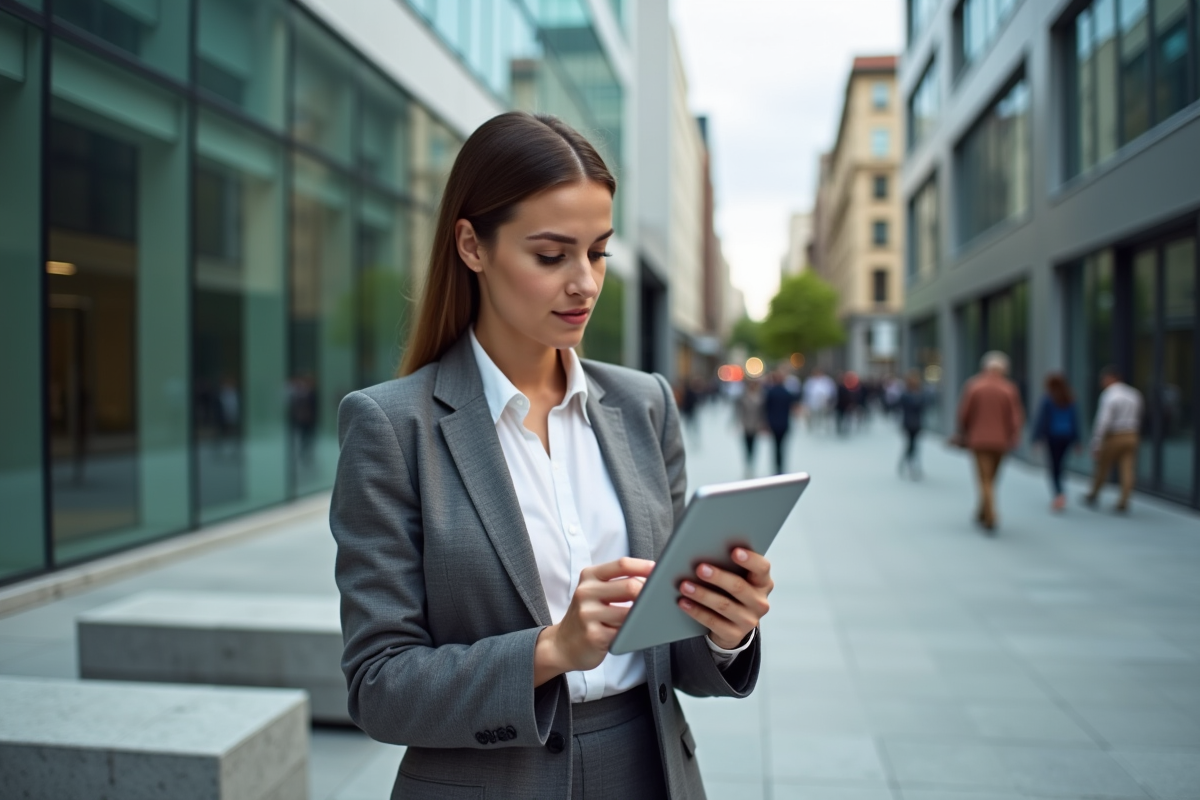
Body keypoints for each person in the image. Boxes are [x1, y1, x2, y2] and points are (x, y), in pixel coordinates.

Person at [329, 112, 771, 799]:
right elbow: (379, 686)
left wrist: (724, 628)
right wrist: (551, 650)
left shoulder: (645, 406)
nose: (585, 282)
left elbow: (672, 652)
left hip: (650, 772)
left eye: (598, 252)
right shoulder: (392, 427)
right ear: (472, 246)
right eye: (550, 255)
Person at [955, 351, 1025, 532]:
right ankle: (985, 513)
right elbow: (1016, 417)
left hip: (979, 440)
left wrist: (964, 432)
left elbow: (964, 414)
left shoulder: (974, 386)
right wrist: (1014, 435)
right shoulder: (1008, 389)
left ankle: (988, 514)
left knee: (984, 479)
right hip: (1001, 441)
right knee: (991, 479)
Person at [1084, 366, 1144, 513]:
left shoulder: (1109, 395)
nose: (1102, 382)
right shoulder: (1134, 394)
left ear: (1111, 378)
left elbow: (1103, 421)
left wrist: (1096, 442)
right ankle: (1124, 500)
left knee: (1102, 467)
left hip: (1114, 435)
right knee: (1128, 469)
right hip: (1132, 434)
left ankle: (1094, 493)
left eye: (1104, 378)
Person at [1031, 372, 1080, 511]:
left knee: (1054, 467)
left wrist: (1036, 438)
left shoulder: (1048, 399)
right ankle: (1060, 492)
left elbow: (1042, 420)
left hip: (1053, 437)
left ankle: (1058, 494)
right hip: (1066, 437)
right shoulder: (1069, 398)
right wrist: (1077, 440)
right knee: (1060, 465)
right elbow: (1075, 421)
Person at [763, 369, 798, 474]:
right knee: (782, 446)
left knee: (775, 446)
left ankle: (777, 466)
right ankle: (780, 466)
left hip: (774, 423)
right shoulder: (786, 393)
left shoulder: (770, 393)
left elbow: (766, 409)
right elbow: (793, 407)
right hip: (784, 424)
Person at [897, 371, 927, 480]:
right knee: (910, 444)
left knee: (914, 445)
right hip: (908, 423)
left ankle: (909, 464)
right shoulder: (906, 394)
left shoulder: (920, 394)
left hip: (917, 423)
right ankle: (909, 464)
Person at [737, 379, 765, 478]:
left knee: (754, 446)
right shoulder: (743, 397)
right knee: (746, 446)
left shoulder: (760, 398)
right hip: (746, 425)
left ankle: (752, 464)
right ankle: (747, 464)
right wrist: (739, 423)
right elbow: (740, 412)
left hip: (755, 426)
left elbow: (762, 413)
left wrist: (761, 424)